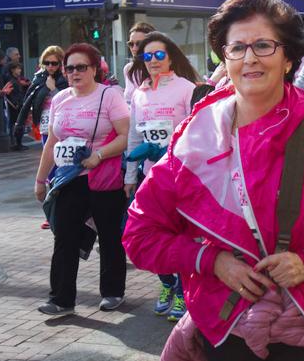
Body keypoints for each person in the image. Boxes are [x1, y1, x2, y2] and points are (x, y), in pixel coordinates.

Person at [123, 0, 304, 361]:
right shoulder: (193, 138)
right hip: (224, 321)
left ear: (288, 58)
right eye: (236, 48)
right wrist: (210, 260)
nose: (249, 58)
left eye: (264, 45)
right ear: (225, 57)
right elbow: (140, 235)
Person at [34, 43, 129, 316]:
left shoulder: (109, 96)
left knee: (109, 236)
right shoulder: (61, 98)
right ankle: (61, 299)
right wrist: (41, 181)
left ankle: (112, 292)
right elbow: (52, 142)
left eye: (81, 67)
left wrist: (99, 155)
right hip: (68, 179)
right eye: (70, 67)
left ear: (95, 69)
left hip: (102, 177)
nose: (74, 72)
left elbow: (125, 136)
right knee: (64, 237)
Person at [125, 31, 199, 322]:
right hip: (148, 176)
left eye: (159, 55)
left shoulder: (185, 88)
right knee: (150, 234)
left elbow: (198, 131)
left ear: (170, 57)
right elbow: (133, 136)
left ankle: (183, 290)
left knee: (180, 234)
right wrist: (130, 174)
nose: (153, 61)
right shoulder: (140, 93)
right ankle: (167, 284)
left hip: (179, 175)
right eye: (147, 56)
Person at [15, 46, 68, 229]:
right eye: (47, 63)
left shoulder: (65, 79)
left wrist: (53, 90)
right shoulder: (39, 78)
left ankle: (63, 210)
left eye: (54, 63)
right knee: (49, 169)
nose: (51, 67)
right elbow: (29, 101)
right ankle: (51, 212)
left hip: (64, 128)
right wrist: (20, 124)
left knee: (62, 168)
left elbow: (69, 100)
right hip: (46, 127)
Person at [124, 22, 157, 108]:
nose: (134, 48)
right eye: (131, 44)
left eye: (139, 44)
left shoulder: (158, 67)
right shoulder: (128, 69)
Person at [4, 62, 28, 150]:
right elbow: (9, 94)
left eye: (20, 69)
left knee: (19, 124)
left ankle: (18, 143)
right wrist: (16, 103)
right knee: (15, 124)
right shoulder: (11, 81)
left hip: (19, 104)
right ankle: (16, 144)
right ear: (12, 70)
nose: (20, 70)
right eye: (18, 69)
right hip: (15, 106)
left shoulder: (17, 80)